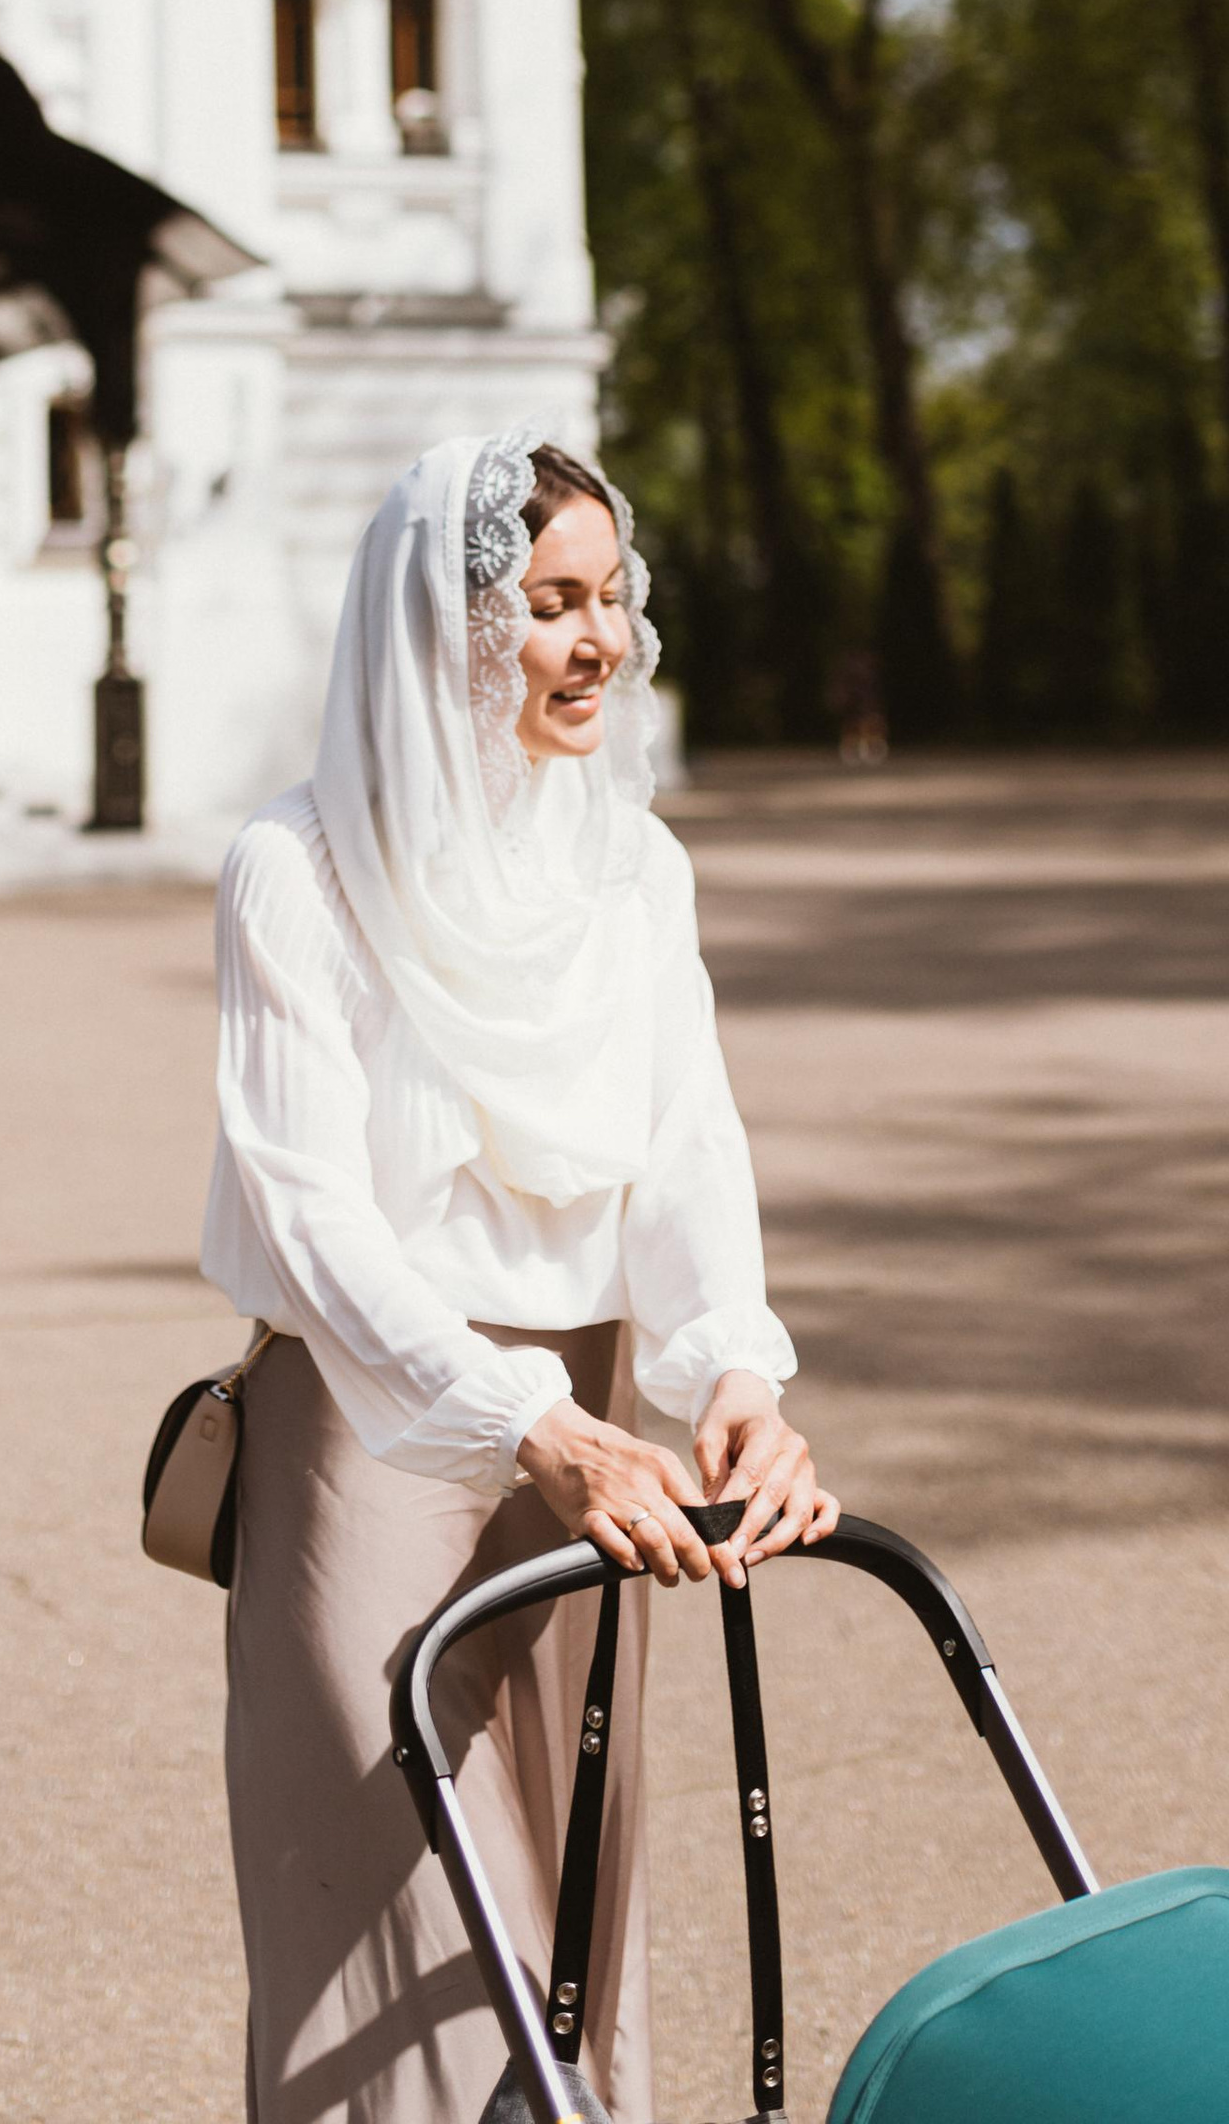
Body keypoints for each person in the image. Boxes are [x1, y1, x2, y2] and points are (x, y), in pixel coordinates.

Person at [203, 430, 836, 2124]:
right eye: (550, 602)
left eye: (612, 598)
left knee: (570, 1901)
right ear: (447, 622)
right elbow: (315, 1215)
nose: (601, 642)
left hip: (589, 1433)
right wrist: (516, 1418)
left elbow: (687, 1147)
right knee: (397, 1913)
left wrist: (737, 1386)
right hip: (369, 1432)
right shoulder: (301, 867)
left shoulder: (633, 869)